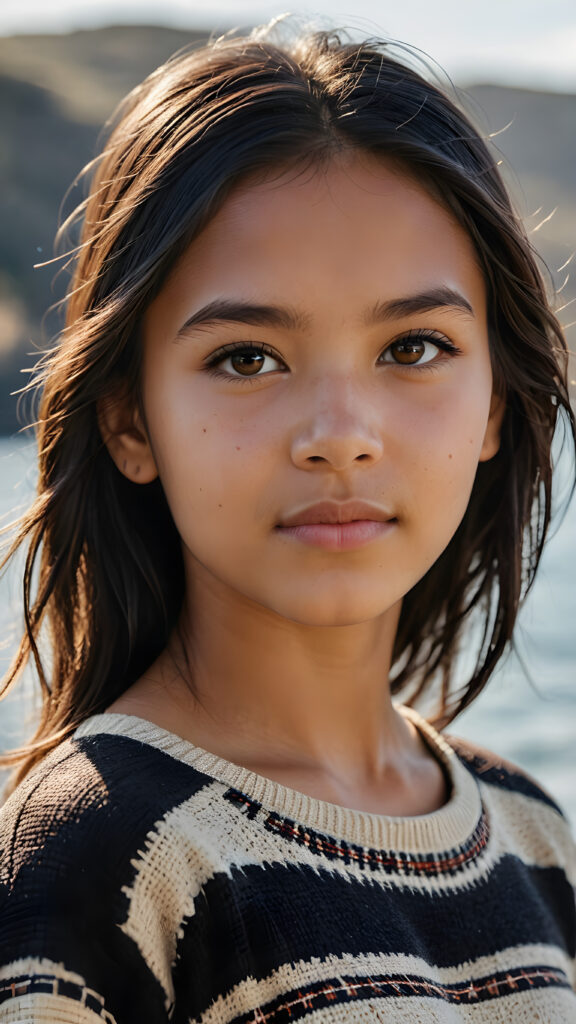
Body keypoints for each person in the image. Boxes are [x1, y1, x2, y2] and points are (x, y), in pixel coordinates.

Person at [0, 18, 575, 1024]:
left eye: (414, 347)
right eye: (247, 358)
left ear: (494, 402)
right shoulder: (93, 859)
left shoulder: (534, 836)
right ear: (131, 420)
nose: (340, 437)